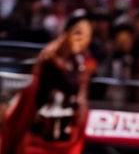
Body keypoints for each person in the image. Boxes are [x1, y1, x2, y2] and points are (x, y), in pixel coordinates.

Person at [1, 12, 96, 154]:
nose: (82, 39)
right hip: (41, 131)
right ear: (66, 32)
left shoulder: (83, 62)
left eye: (87, 35)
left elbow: (81, 93)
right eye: (78, 32)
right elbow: (31, 92)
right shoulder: (49, 57)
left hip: (65, 132)